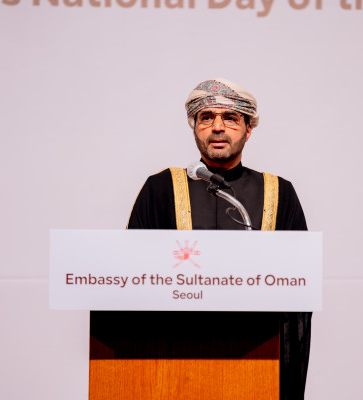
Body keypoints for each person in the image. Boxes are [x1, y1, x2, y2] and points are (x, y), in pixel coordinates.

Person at [126, 78, 312, 400]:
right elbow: (131, 280)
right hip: (175, 361)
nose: (217, 127)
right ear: (194, 127)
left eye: (230, 118)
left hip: (255, 364)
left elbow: (298, 295)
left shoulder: (279, 192)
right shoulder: (160, 188)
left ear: (248, 129)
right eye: (206, 117)